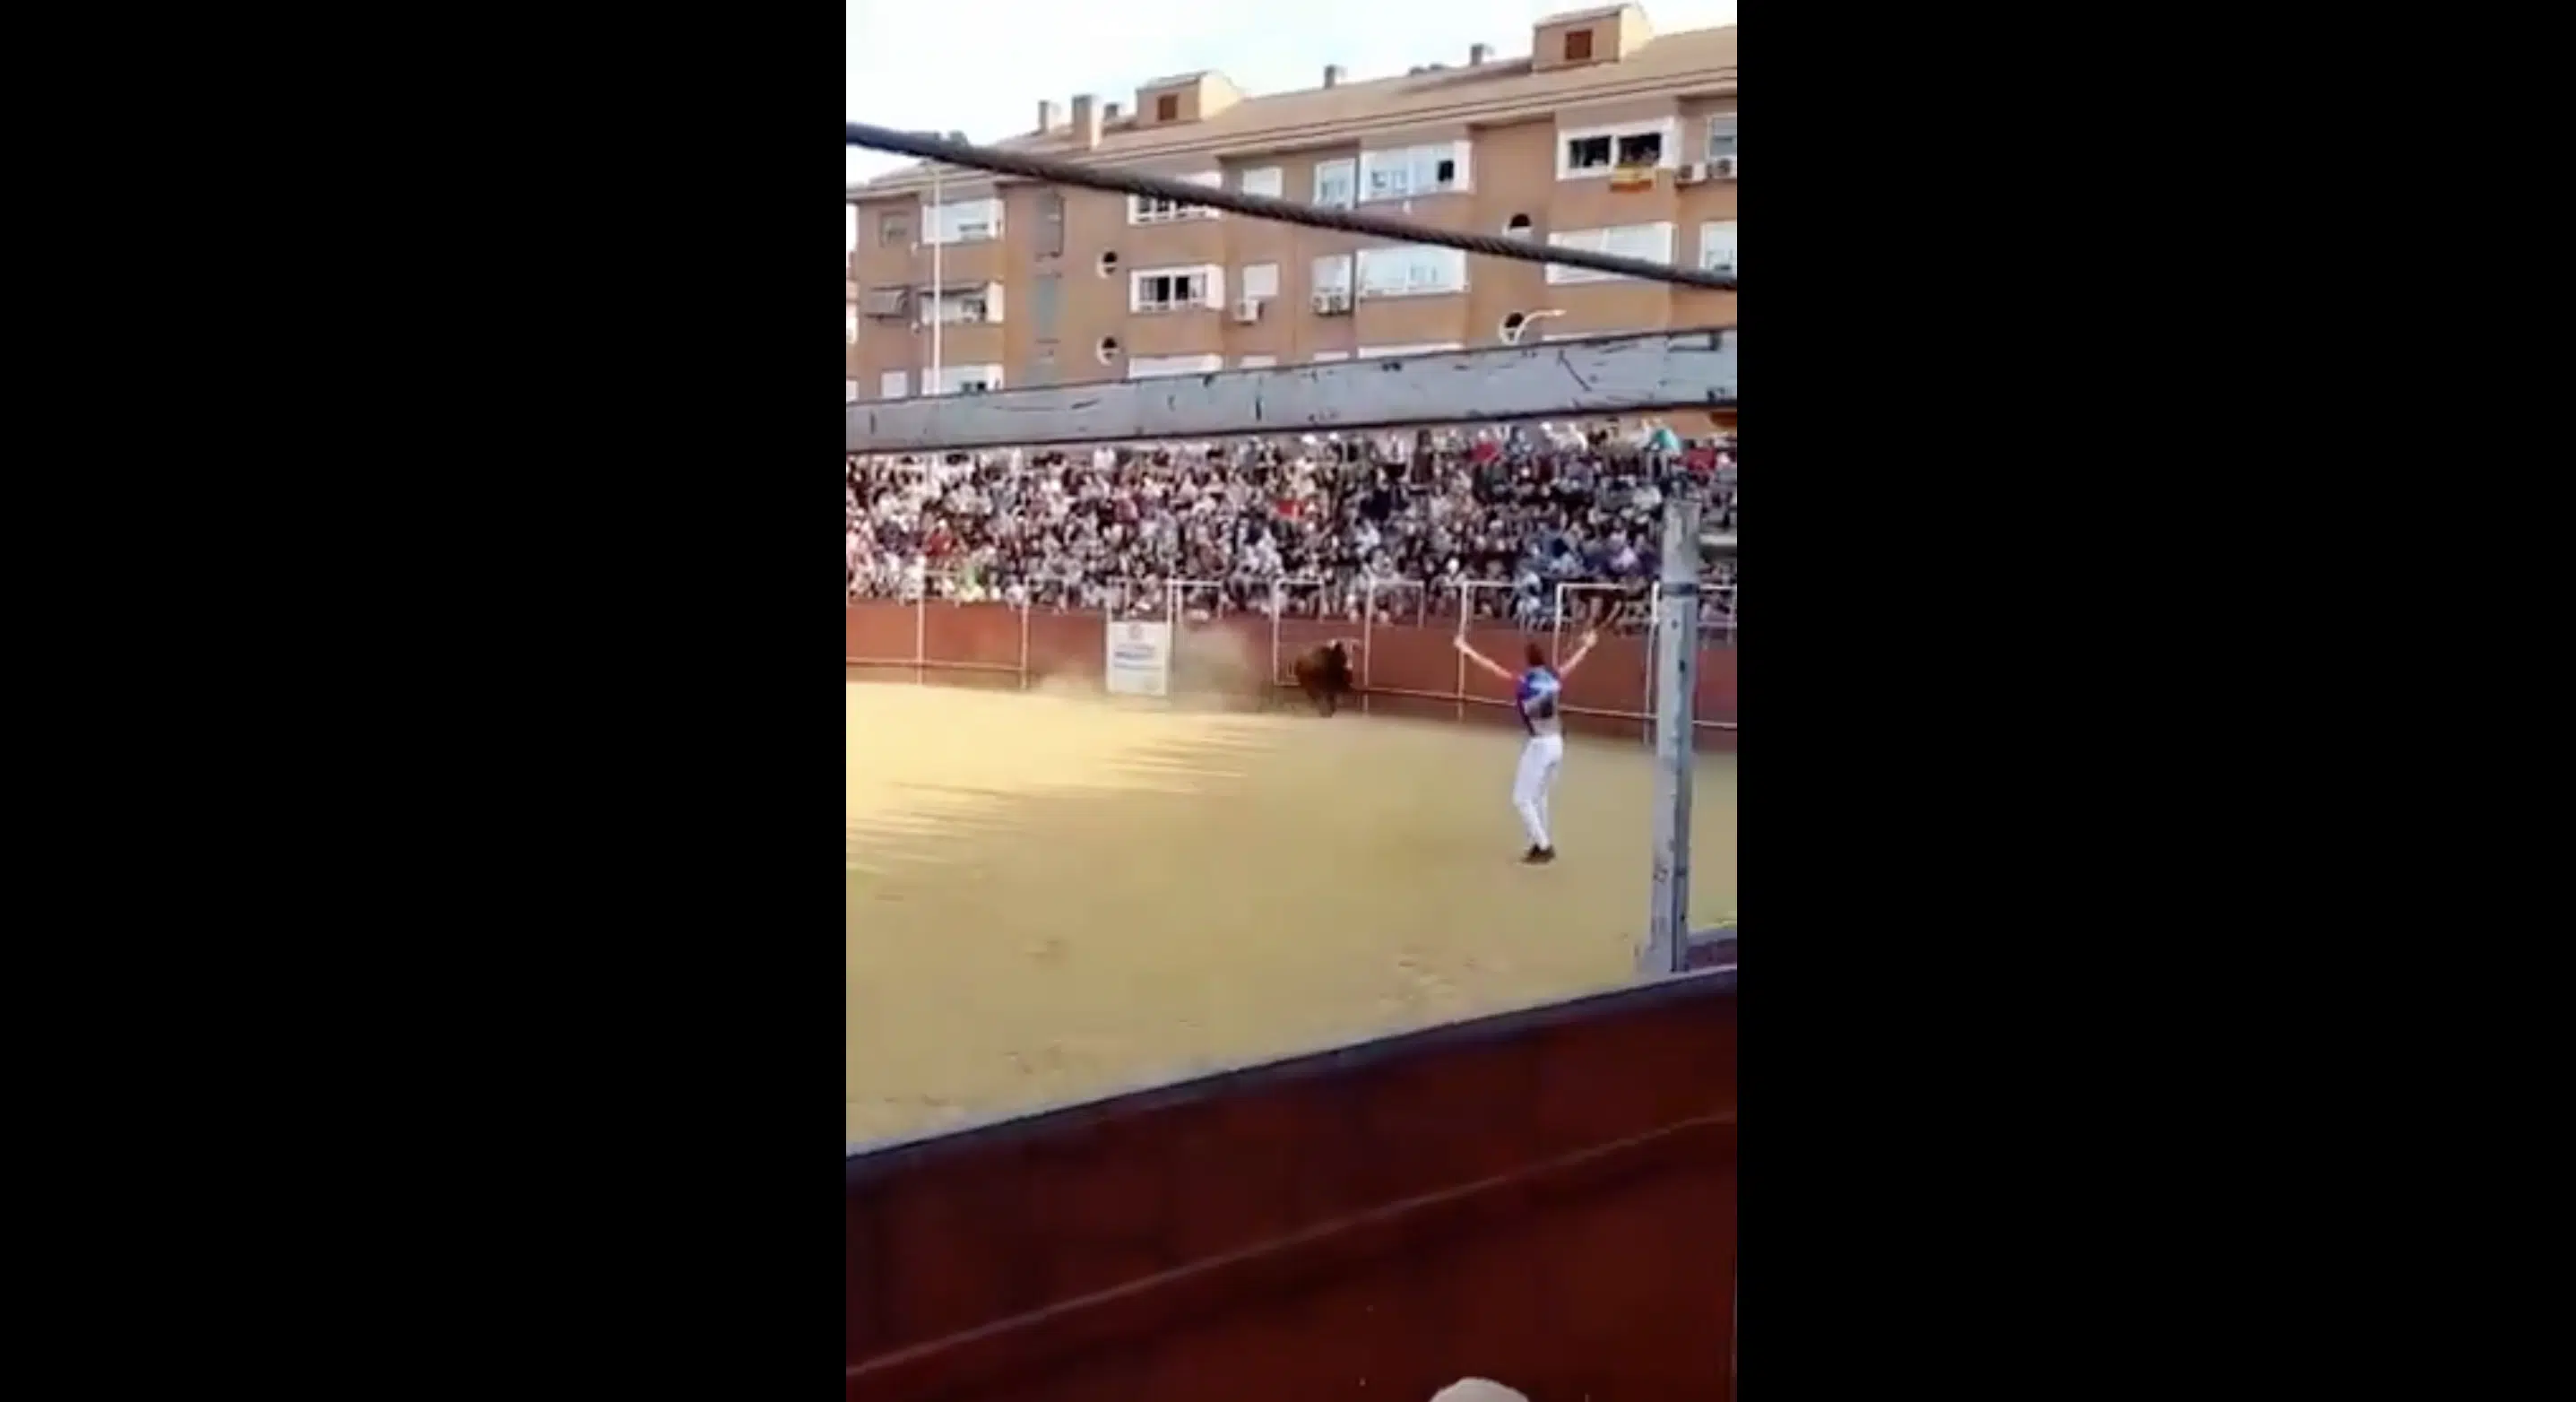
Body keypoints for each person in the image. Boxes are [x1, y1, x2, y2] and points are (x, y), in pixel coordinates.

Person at [1456, 629, 1600, 863]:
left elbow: (1492, 668)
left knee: (1521, 799)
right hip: (1557, 742)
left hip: (1540, 744)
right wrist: (1586, 646)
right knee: (1540, 796)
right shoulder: (1553, 677)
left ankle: (1544, 846)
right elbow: (1570, 665)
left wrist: (1467, 650)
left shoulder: (1526, 682)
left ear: (1528, 662)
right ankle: (1540, 840)